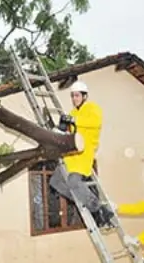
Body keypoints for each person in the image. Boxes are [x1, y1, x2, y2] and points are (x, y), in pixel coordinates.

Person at [49, 80, 114, 227]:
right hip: (71, 155)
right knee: (55, 183)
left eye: (77, 96)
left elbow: (95, 122)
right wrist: (60, 130)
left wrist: (74, 120)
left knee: (73, 182)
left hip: (84, 154)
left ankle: (98, 209)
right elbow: (70, 132)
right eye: (72, 96)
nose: (74, 99)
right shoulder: (73, 112)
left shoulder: (93, 108)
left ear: (84, 96)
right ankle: (86, 199)